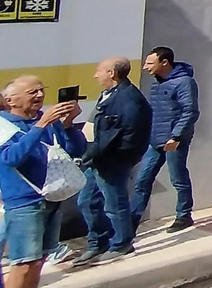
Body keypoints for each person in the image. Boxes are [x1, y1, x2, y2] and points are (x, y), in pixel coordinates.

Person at [0, 77, 86, 288]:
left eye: (41, 90)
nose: (39, 95)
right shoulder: (2, 126)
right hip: (24, 203)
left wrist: (68, 125)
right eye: (32, 91)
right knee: (21, 267)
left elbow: (76, 150)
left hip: (50, 197)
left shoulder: (45, 121)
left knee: (37, 264)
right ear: (11, 100)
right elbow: (10, 159)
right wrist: (40, 126)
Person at [74, 57, 152, 266]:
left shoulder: (129, 100)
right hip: (95, 159)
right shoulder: (109, 94)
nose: (95, 74)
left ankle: (121, 244)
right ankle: (97, 242)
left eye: (99, 70)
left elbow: (129, 135)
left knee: (114, 203)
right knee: (87, 200)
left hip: (110, 161)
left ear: (112, 73)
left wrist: (112, 155)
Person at [132, 46, 198, 231]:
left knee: (178, 178)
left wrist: (176, 136)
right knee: (142, 181)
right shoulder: (158, 83)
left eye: (149, 63)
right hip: (155, 141)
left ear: (164, 62)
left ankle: (184, 215)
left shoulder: (184, 82)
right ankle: (131, 222)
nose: (145, 67)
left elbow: (190, 111)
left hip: (174, 141)